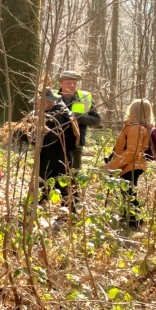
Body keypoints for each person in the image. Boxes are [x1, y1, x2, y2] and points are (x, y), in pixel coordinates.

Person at [54, 70, 101, 210]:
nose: (72, 86)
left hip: (75, 144)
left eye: (74, 83)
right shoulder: (51, 96)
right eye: (68, 83)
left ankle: (71, 209)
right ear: (60, 83)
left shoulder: (85, 97)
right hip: (54, 143)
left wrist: (77, 116)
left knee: (73, 175)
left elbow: (97, 120)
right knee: (54, 174)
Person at [103, 99, 153, 228]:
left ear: (133, 111)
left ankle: (134, 222)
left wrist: (112, 165)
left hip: (131, 165)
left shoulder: (135, 129)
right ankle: (129, 218)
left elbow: (132, 151)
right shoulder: (134, 127)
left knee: (129, 194)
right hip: (130, 164)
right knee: (127, 193)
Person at [34, 88, 77, 206]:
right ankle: (35, 209)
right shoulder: (51, 113)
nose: (37, 105)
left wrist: (31, 136)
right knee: (45, 185)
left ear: (48, 102)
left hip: (57, 157)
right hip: (51, 156)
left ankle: (70, 213)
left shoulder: (56, 116)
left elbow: (48, 139)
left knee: (62, 186)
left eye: (39, 102)